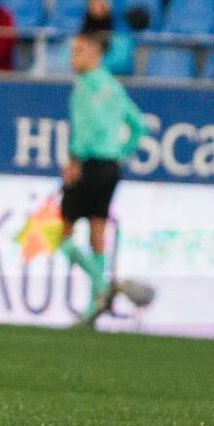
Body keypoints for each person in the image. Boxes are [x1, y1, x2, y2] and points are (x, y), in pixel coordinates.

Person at [61, 31, 148, 328]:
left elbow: (88, 128)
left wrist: (74, 160)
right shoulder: (114, 86)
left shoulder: (85, 86)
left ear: (95, 55)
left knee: (61, 234)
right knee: (97, 232)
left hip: (89, 164)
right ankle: (91, 311)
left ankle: (100, 285)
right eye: (72, 52)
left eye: (80, 52)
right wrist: (120, 153)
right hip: (111, 168)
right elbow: (138, 126)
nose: (74, 58)